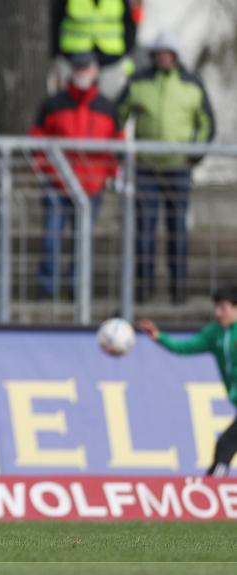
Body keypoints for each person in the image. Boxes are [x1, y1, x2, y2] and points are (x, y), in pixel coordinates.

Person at [118, 32, 215, 305]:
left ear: (175, 56)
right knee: (145, 230)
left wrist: (194, 157)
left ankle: (178, 287)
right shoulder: (139, 82)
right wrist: (125, 153)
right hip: (146, 169)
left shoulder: (192, 84)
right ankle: (143, 286)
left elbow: (207, 124)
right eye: (159, 53)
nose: (163, 57)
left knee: (177, 230)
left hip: (178, 169)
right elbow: (119, 115)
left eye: (168, 53)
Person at [30, 52, 122, 300]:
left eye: (86, 68)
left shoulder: (108, 107)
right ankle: (47, 290)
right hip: (58, 183)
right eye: (78, 68)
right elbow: (37, 140)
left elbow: (117, 145)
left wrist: (110, 175)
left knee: (83, 241)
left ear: (95, 71)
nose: (82, 73)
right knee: (52, 238)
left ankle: (78, 291)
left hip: (92, 185)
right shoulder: (52, 104)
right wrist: (45, 169)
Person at [137, 286, 237, 476]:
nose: (218, 313)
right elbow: (185, 347)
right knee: (225, 446)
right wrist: (159, 337)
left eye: (223, 308)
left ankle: (214, 488)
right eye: (216, 307)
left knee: (226, 445)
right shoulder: (214, 334)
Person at [51, 0, 137, 98]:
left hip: (111, 61)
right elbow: (56, 20)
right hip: (76, 62)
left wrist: (126, 52)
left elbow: (129, 23)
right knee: (73, 102)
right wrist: (57, 55)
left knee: (110, 102)